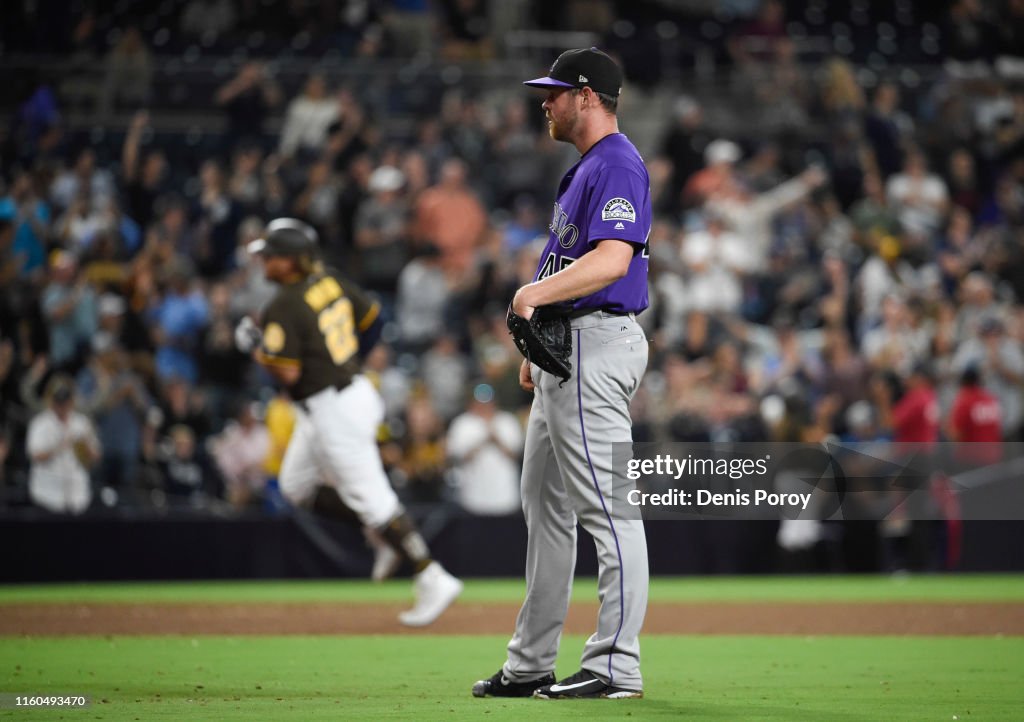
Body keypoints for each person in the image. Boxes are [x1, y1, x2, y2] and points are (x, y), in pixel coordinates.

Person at [473, 47, 650, 700]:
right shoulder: (584, 171)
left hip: (596, 346)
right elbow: (567, 264)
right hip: (565, 351)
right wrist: (536, 341)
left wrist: (531, 298)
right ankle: (530, 663)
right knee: (545, 510)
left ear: (586, 95)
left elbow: (611, 261)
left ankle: (614, 666)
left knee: (609, 512)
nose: (542, 102)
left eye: (553, 92)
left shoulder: (619, 162)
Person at [237, 217, 462, 626]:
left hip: (333, 408)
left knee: (376, 499)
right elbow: (374, 319)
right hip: (347, 393)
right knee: (296, 486)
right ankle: (383, 536)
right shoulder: (330, 280)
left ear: (290, 261)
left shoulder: (283, 304)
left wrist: (256, 348)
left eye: (271, 255)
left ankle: (431, 575)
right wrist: (348, 360)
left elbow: (286, 373)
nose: (264, 262)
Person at [26, 375, 100, 514]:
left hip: (77, 496)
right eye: (59, 402)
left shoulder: (82, 423)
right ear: (52, 401)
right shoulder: (40, 423)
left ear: (71, 402)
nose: (62, 407)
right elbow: (35, 455)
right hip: (47, 495)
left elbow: (95, 457)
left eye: (65, 402)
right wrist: (60, 447)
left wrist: (85, 448)